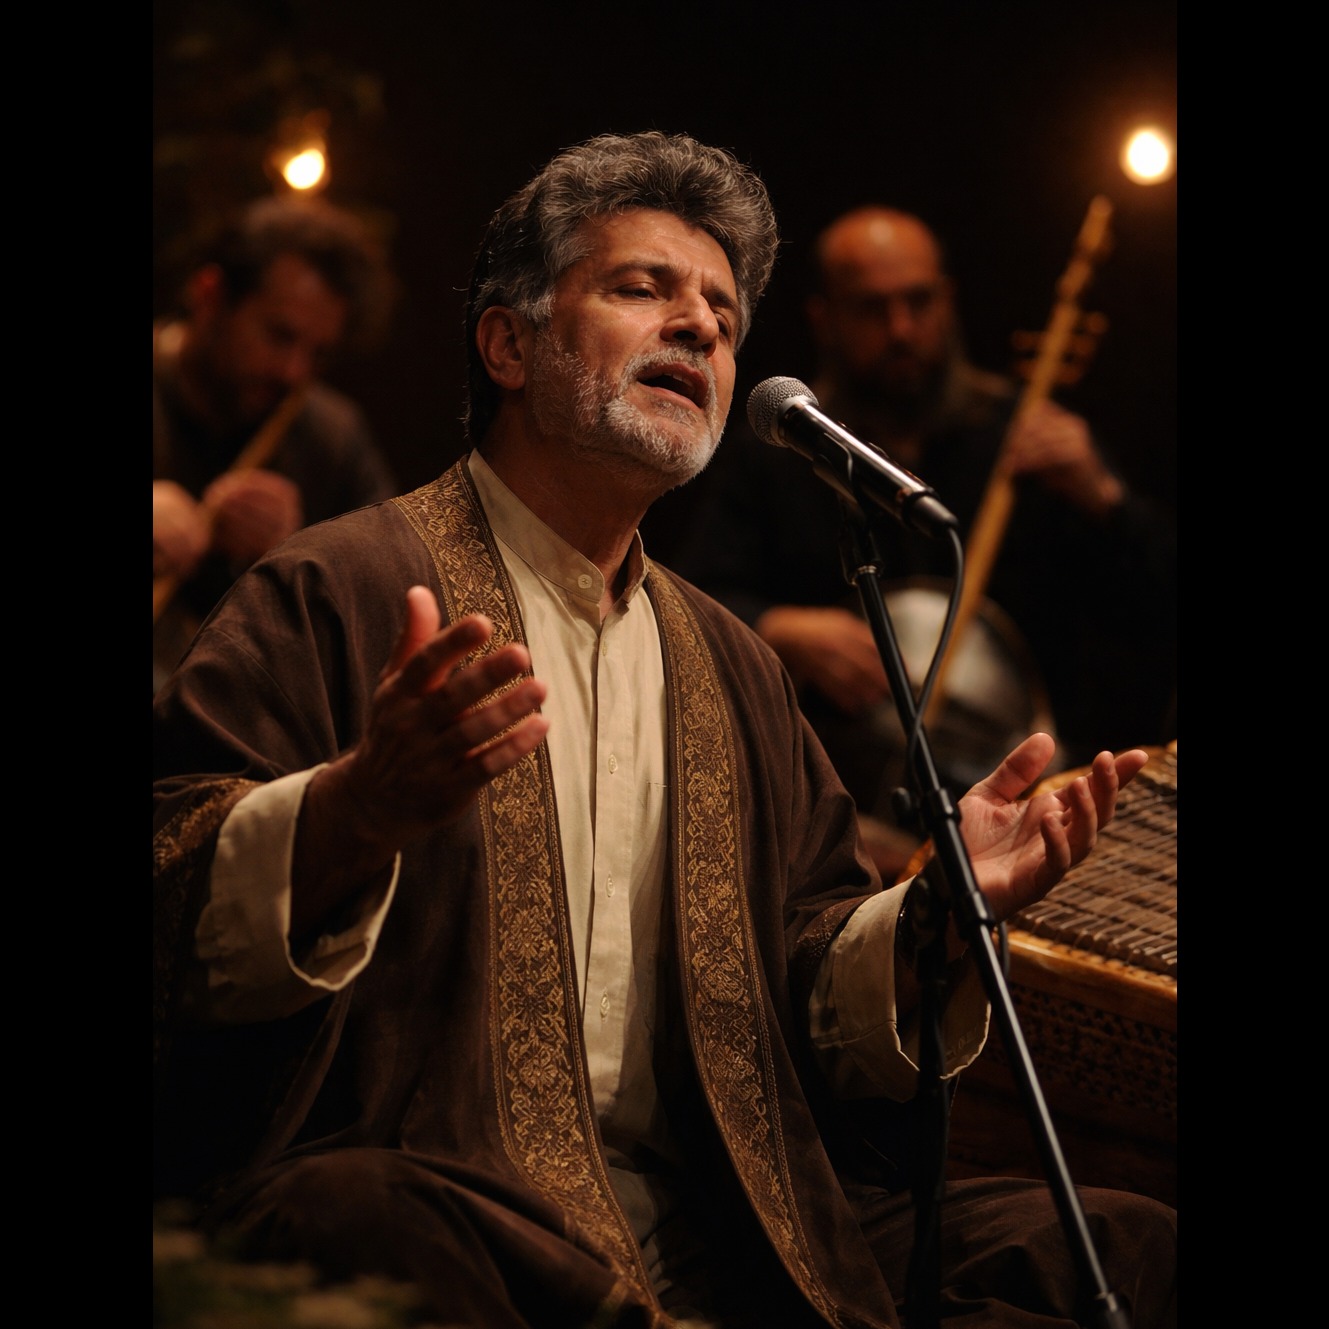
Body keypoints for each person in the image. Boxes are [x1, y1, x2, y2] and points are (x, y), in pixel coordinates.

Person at [153, 133, 1176, 1328]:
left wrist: (938, 915)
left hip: (730, 1213)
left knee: (1127, 1242)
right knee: (359, 1218)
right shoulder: (338, 587)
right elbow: (172, 873)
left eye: (724, 319)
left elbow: (805, 968)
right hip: (458, 1193)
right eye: (643, 289)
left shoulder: (732, 666)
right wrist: (356, 807)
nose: (697, 327)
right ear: (507, 344)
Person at [671, 206, 1178, 874]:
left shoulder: (1026, 438)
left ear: (948, 300)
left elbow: (1159, 601)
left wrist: (1104, 497)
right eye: (872, 309)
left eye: (918, 302)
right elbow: (688, 601)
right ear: (825, 319)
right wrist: (780, 628)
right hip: (838, 817)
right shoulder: (778, 453)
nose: (901, 330)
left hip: (1025, 795)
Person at [152, 194, 401, 692]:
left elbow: (391, 605)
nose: (294, 372)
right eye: (279, 336)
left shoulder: (330, 435)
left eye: (318, 353)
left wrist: (299, 557)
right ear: (209, 295)